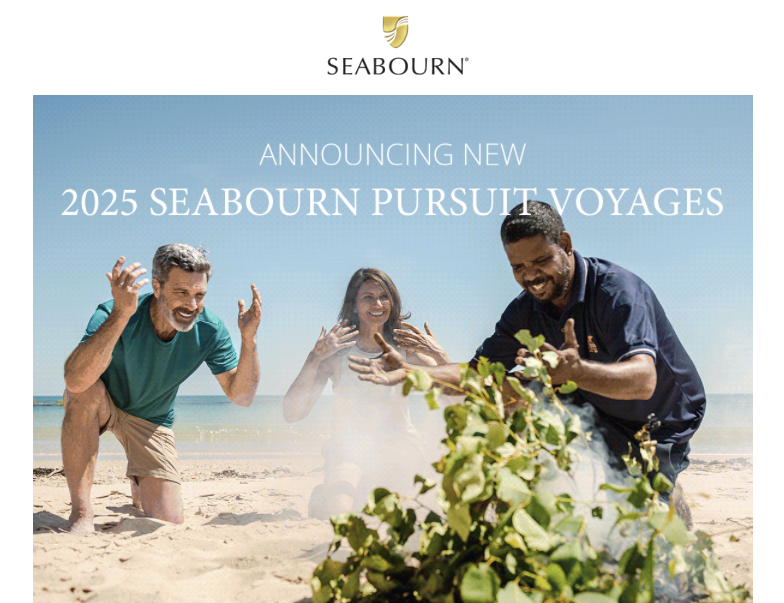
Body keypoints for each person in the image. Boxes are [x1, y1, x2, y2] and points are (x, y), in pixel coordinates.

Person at [348, 201, 706, 521]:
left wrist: (576, 371)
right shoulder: (524, 309)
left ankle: (666, 491)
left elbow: (644, 380)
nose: (530, 276)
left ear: (565, 244)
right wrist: (415, 372)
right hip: (591, 407)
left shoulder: (617, 292)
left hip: (660, 417)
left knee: (646, 530)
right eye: (517, 266)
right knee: (504, 400)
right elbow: (478, 374)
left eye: (540, 261)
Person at [62, 243, 261, 532]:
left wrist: (249, 341)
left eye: (199, 295)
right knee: (85, 392)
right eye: (181, 292)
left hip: (151, 421)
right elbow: (75, 381)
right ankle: (81, 512)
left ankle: (138, 480)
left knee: (168, 520)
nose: (191, 306)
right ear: (157, 287)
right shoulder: (114, 311)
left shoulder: (210, 330)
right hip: (103, 403)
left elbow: (242, 396)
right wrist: (121, 314)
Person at [283, 267, 443, 518]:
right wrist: (313, 358)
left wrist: (440, 355)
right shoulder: (337, 352)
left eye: (384, 296)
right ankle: (325, 499)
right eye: (368, 297)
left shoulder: (404, 348)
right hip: (348, 449)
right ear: (354, 305)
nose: (377, 304)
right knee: (343, 515)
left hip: (400, 445)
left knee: (387, 511)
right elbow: (292, 414)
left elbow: (453, 389)